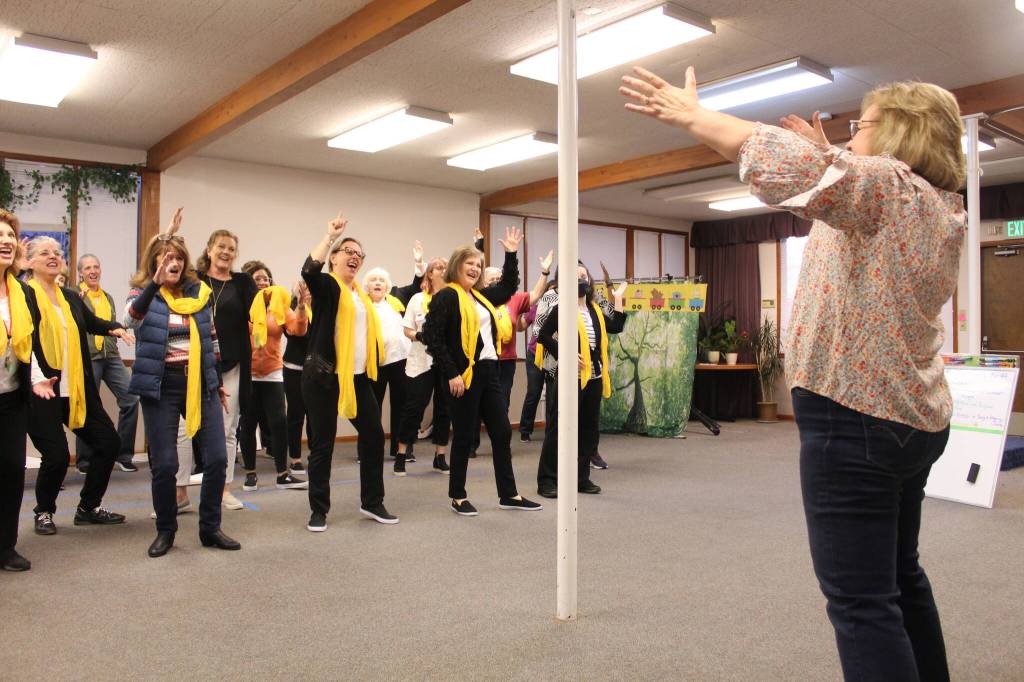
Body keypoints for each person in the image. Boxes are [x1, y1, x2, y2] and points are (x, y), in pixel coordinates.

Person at [620, 65, 965, 680]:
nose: (851, 136)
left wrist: (692, 115)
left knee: (861, 602)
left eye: (862, 127)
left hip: (857, 418)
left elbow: (787, 168)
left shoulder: (887, 187)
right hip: (911, 417)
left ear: (899, 137)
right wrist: (829, 153)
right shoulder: (936, 205)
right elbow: (837, 185)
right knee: (897, 577)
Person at [126, 208, 240, 557]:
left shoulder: (199, 294)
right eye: (164, 257)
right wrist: (155, 283)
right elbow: (132, 320)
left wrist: (216, 380)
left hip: (201, 384)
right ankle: (165, 531)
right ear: (154, 262)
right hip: (162, 387)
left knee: (218, 459)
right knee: (164, 465)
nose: (172, 263)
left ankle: (210, 528)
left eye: (177, 258)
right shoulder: (141, 294)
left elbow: (213, 340)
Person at [422, 228, 542, 517]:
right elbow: (432, 337)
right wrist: (452, 374)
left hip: (490, 371)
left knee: (501, 432)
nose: (475, 268)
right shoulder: (447, 297)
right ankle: (458, 496)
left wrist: (511, 253)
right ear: (456, 266)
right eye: (470, 263)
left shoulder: (482, 297)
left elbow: (509, 287)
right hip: (463, 374)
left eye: (478, 264)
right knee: (464, 435)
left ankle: (509, 494)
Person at [25, 236, 132, 536]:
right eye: (44, 253)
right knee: (57, 456)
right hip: (41, 389)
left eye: (57, 252)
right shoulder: (24, 294)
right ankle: (44, 511)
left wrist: (117, 329)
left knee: (109, 443)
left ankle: (88, 508)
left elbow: (92, 322)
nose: (53, 256)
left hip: (76, 388)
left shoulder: (70, 296)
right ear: (29, 261)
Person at [301, 213, 398, 531]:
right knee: (323, 444)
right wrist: (330, 236)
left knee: (373, 436)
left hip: (357, 377)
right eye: (349, 252)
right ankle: (319, 510)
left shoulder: (360, 294)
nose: (355, 257)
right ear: (335, 259)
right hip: (325, 376)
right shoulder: (328, 286)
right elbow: (308, 271)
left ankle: (372, 502)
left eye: (360, 254)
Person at [177, 229, 258, 510]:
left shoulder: (243, 282)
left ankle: (223, 490)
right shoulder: (193, 279)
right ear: (209, 249)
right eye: (221, 246)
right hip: (194, 363)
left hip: (232, 364)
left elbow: (258, 312)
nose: (226, 252)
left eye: (231, 248)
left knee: (227, 429)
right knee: (183, 430)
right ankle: (180, 494)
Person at [534, 264, 626, 498]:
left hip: (593, 377)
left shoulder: (595, 310)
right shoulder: (561, 308)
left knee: (588, 430)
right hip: (569, 379)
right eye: (575, 276)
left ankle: (581, 478)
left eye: (584, 276)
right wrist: (564, 351)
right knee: (558, 429)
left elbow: (616, 325)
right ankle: (547, 481)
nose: (581, 279)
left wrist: (619, 299)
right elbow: (543, 335)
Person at [238, 260, 307, 491]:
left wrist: (301, 307)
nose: (262, 282)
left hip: (272, 371)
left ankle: (282, 474)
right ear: (248, 281)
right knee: (248, 423)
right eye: (257, 278)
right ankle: (250, 474)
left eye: (266, 279)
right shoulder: (241, 305)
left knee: (278, 422)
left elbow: (298, 330)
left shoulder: (278, 306)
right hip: (246, 373)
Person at [0, 210, 40, 571]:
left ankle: (6, 546)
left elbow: (30, 341)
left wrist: (38, 376)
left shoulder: (21, 292)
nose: (6, 240)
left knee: (12, 469)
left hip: (11, 397)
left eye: (10, 235)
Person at [75, 254, 140, 473]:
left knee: (131, 398)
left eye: (96, 266)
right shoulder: (74, 295)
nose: (93, 271)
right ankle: (84, 459)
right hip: (89, 357)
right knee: (88, 406)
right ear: (80, 273)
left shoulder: (108, 297)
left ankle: (123, 455)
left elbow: (109, 325)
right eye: (87, 268)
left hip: (111, 356)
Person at [362, 242, 426, 462]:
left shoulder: (397, 297)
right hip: (374, 362)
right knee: (372, 408)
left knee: (402, 405)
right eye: (373, 280)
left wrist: (418, 263)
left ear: (387, 285)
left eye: (381, 280)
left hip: (399, 360)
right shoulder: (361, 304)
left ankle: (401, 449)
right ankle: (368, 450)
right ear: (367, 286)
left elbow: (416, 286)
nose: (377, 283)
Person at [393, 257, 451, 476]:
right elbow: (406, 328)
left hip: (445, 360)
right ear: (429, 273)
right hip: (421, 359)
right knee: (414, 406)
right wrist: (419, 335)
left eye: (446, 267)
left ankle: (440, 456)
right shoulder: (418, 299)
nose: (443, 270)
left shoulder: (453, 298)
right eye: (438, 267)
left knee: (445, 407)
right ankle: (401, 453)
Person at [282, 281, 311, 474]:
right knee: (295, 415)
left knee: (315, 416)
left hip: (316, 369)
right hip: (294, 368)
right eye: (305, 288)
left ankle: (315, 454)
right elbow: (296, 333)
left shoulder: (323, 307)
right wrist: (302, 306)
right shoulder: (290, 308)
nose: (308, 291)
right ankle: (295, 458)